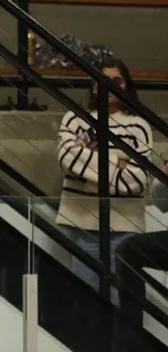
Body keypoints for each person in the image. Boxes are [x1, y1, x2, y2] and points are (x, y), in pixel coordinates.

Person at [57, 59, 168, 315]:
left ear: (126, 85)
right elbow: (66, 158)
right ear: (94, 86)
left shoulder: (139, 125)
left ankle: (125, 344)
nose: (108, 86)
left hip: (125, 224)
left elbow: (137, 180)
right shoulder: (75, 118)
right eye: (102, 81)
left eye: (116, 81)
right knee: (86, 302)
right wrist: (118, 162)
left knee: (124, 303)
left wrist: (90, 165)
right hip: (82, 221)